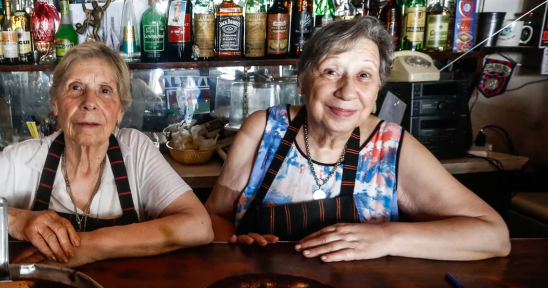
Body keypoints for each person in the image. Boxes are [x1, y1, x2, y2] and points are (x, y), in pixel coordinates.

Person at [205, 17, 510, 262]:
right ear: (301, 79)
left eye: (364, 75)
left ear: (378, 87)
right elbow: (215, 217)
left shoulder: (390, 146)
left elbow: (494, 236)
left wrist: (387, 237)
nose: (347, 91)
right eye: (331, 71)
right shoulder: (263, 130)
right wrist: (235, 243)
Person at [0, 42, 213, 267]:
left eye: (105, 91)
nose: (89, 103)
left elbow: (198, 226)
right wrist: (14, 221)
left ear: (120, 112)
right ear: (56, 104)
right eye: (76, 88)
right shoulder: (22, 159)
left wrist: (88, 246)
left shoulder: (135, 151)